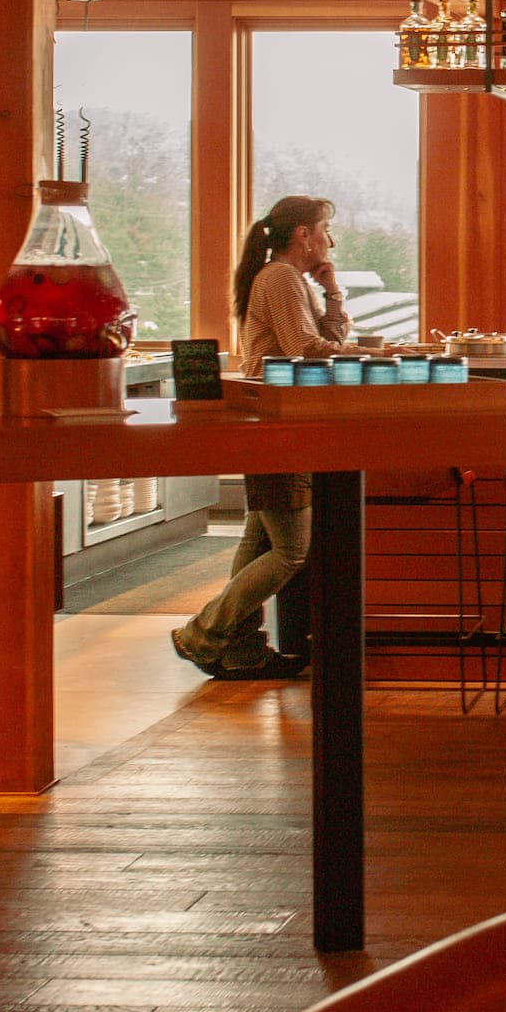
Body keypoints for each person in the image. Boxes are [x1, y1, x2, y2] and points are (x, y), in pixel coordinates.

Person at [173, 195, 352, 681]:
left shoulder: (292, 281)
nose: (329, 240)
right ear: (303, 235)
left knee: (259, 542)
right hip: (278, 422)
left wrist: (332, 290)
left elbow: (324, 340)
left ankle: (242, 651)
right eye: (325, 230)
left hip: (281, 418)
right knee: (292, 550)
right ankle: (202, 634)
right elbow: (306, 350)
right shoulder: (279, 279)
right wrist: (367, 355)